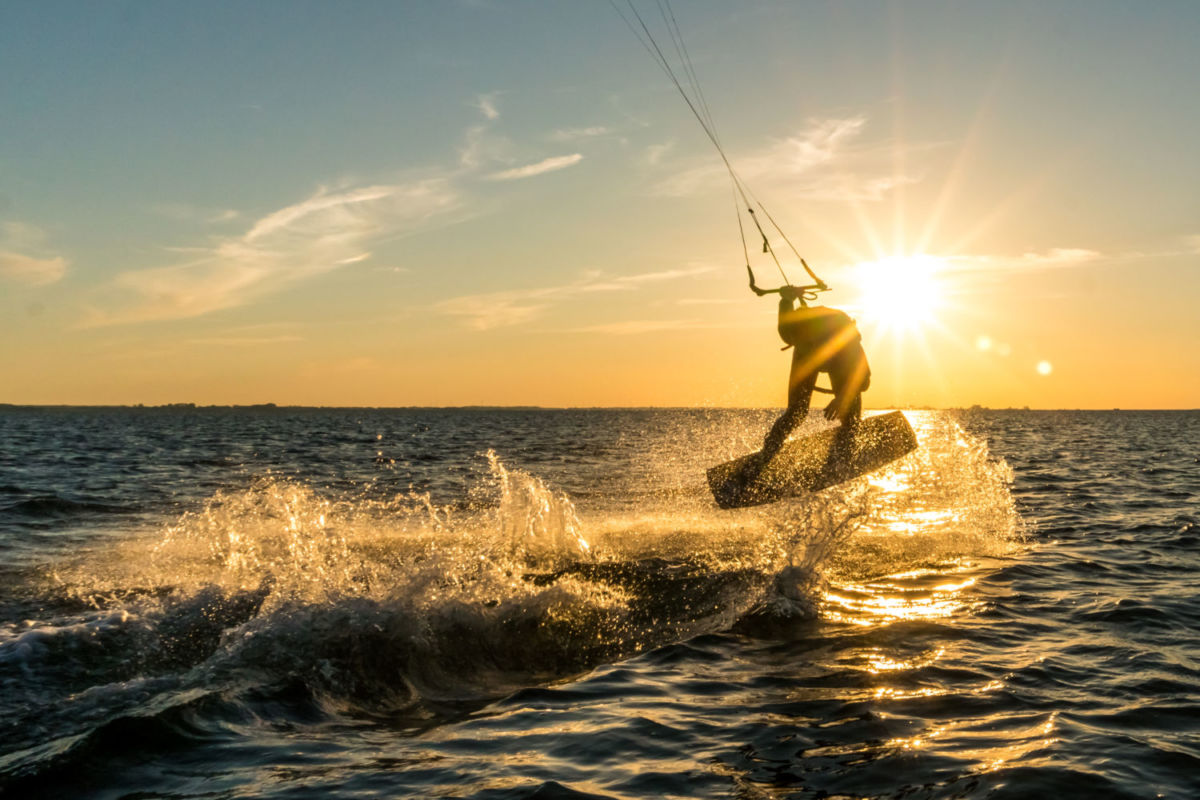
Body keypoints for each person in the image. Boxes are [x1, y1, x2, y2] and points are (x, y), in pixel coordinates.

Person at [760, 285, 871, 462]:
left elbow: (863, 380)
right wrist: (787, 299)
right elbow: (786, 317)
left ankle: (849, 445)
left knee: (849, 409)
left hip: (839, 358)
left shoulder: (848, 344)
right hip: (807, 351)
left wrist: (842, 397)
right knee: (796, 412)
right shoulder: (792, 333)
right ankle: (766, 456)